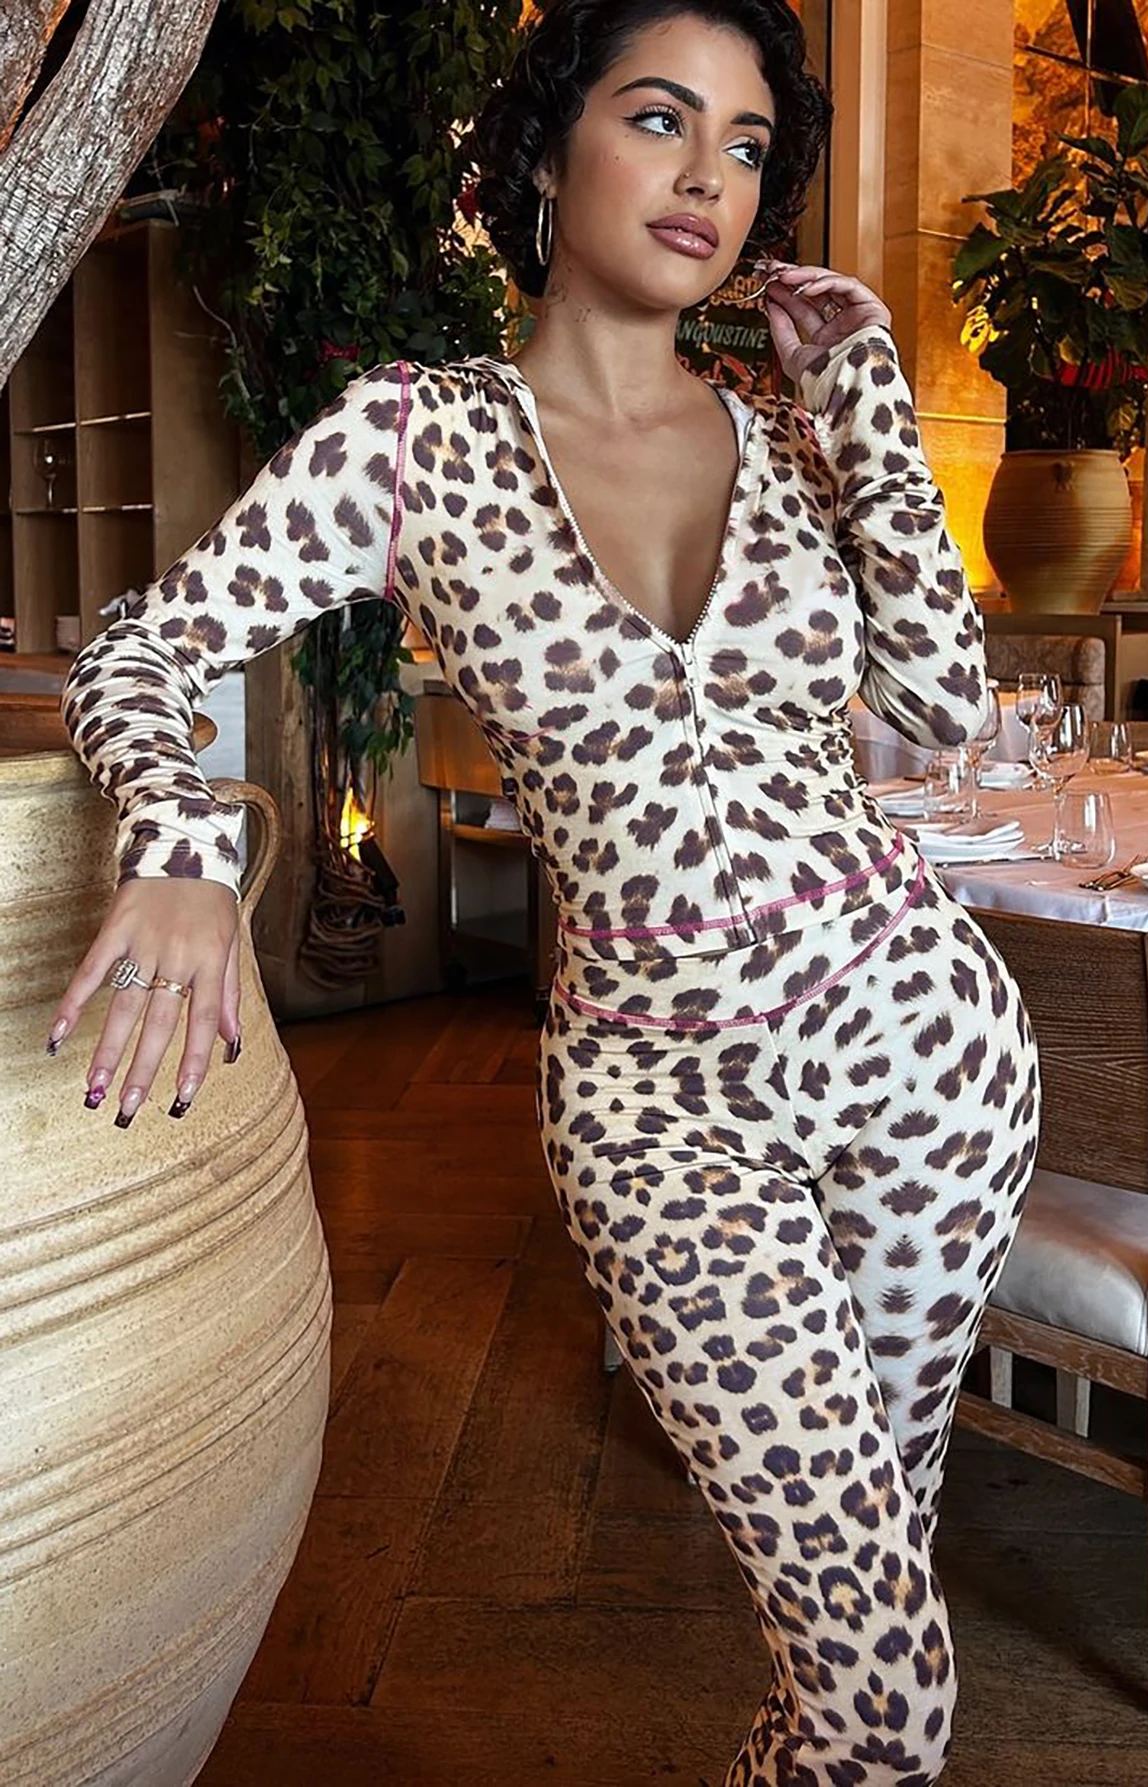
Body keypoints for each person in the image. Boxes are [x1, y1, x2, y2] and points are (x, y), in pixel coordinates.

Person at [51, 0, 1040, 1777]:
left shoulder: (787, 432)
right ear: (547, 146)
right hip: (659, 1111)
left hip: (930, 1056)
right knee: (888, 1696)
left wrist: (870, 397)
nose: (709, 175)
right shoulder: (412, 441)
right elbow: (143, 644)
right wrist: (185, 844)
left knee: (867, 1605)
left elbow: (943, 702)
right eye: (661, 118)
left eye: (747, 145)